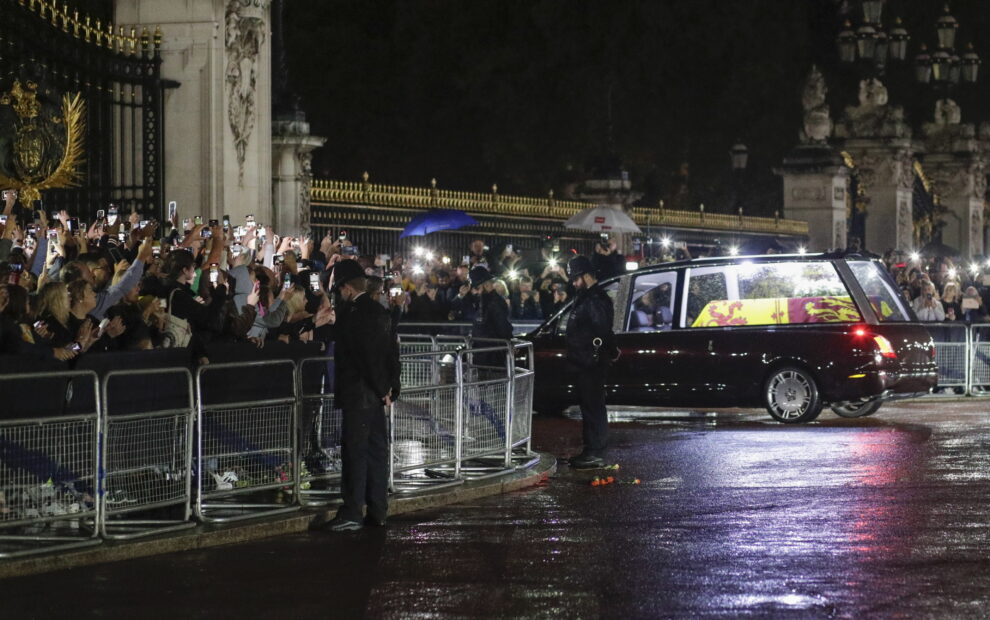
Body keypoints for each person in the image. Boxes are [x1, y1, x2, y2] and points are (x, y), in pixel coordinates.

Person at [323, 259, 400, 532]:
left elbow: (364, 357)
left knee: (355, 453)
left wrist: (381, 388)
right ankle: (378, 509)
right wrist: (390, 388)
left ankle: (352, 511)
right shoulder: (379, 311)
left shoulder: (353, 314)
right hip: (378, 395)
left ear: (345, 288)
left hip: (360, 393)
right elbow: (391, 351)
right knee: (377, 452)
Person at [565, 255, 619, 469]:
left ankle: (595, 452)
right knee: (589, 406)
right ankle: (592, 450)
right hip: (586, 361)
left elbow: (600, 331)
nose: (574, 283)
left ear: (586, 276)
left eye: (576, 278)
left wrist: (590, 354)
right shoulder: (589, 297)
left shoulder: (594, 299)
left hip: (590, 363)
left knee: (593, 406)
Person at [468, 265, 513, 369]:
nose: (475, 291)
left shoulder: (496, 303)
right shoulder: (483, 301)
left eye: (477, 287)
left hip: (493, 356)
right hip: (482, 354)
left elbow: (503, 327)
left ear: (486, 285)